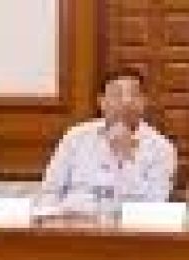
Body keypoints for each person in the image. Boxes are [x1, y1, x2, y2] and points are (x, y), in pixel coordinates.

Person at [39, 68, 176, 214]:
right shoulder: (76, 137)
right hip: (74, 221)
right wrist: (52, 218)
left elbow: (154, 204)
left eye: (134, 95)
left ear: (144, 102)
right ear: (102, 102)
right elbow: (49, 191)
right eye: (117, 94)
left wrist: (127, 157)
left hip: (127, 226)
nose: (126, 101)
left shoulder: (161, 148)